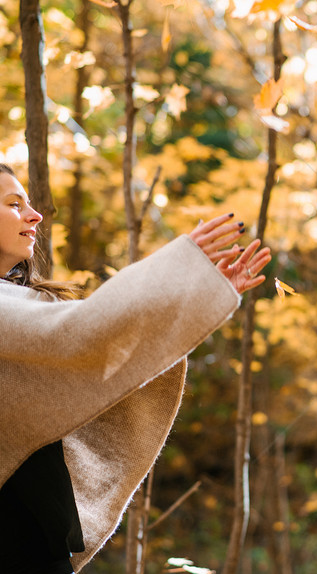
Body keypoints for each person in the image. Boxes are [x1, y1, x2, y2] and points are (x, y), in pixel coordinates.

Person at [0, 162, 272, 573]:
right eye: (13, 204)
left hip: (40, 531)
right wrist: (182, 269)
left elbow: (106, 348)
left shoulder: (23, 304)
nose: (34, 215)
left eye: (30, 203)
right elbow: (82, 332)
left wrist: (202, 292)